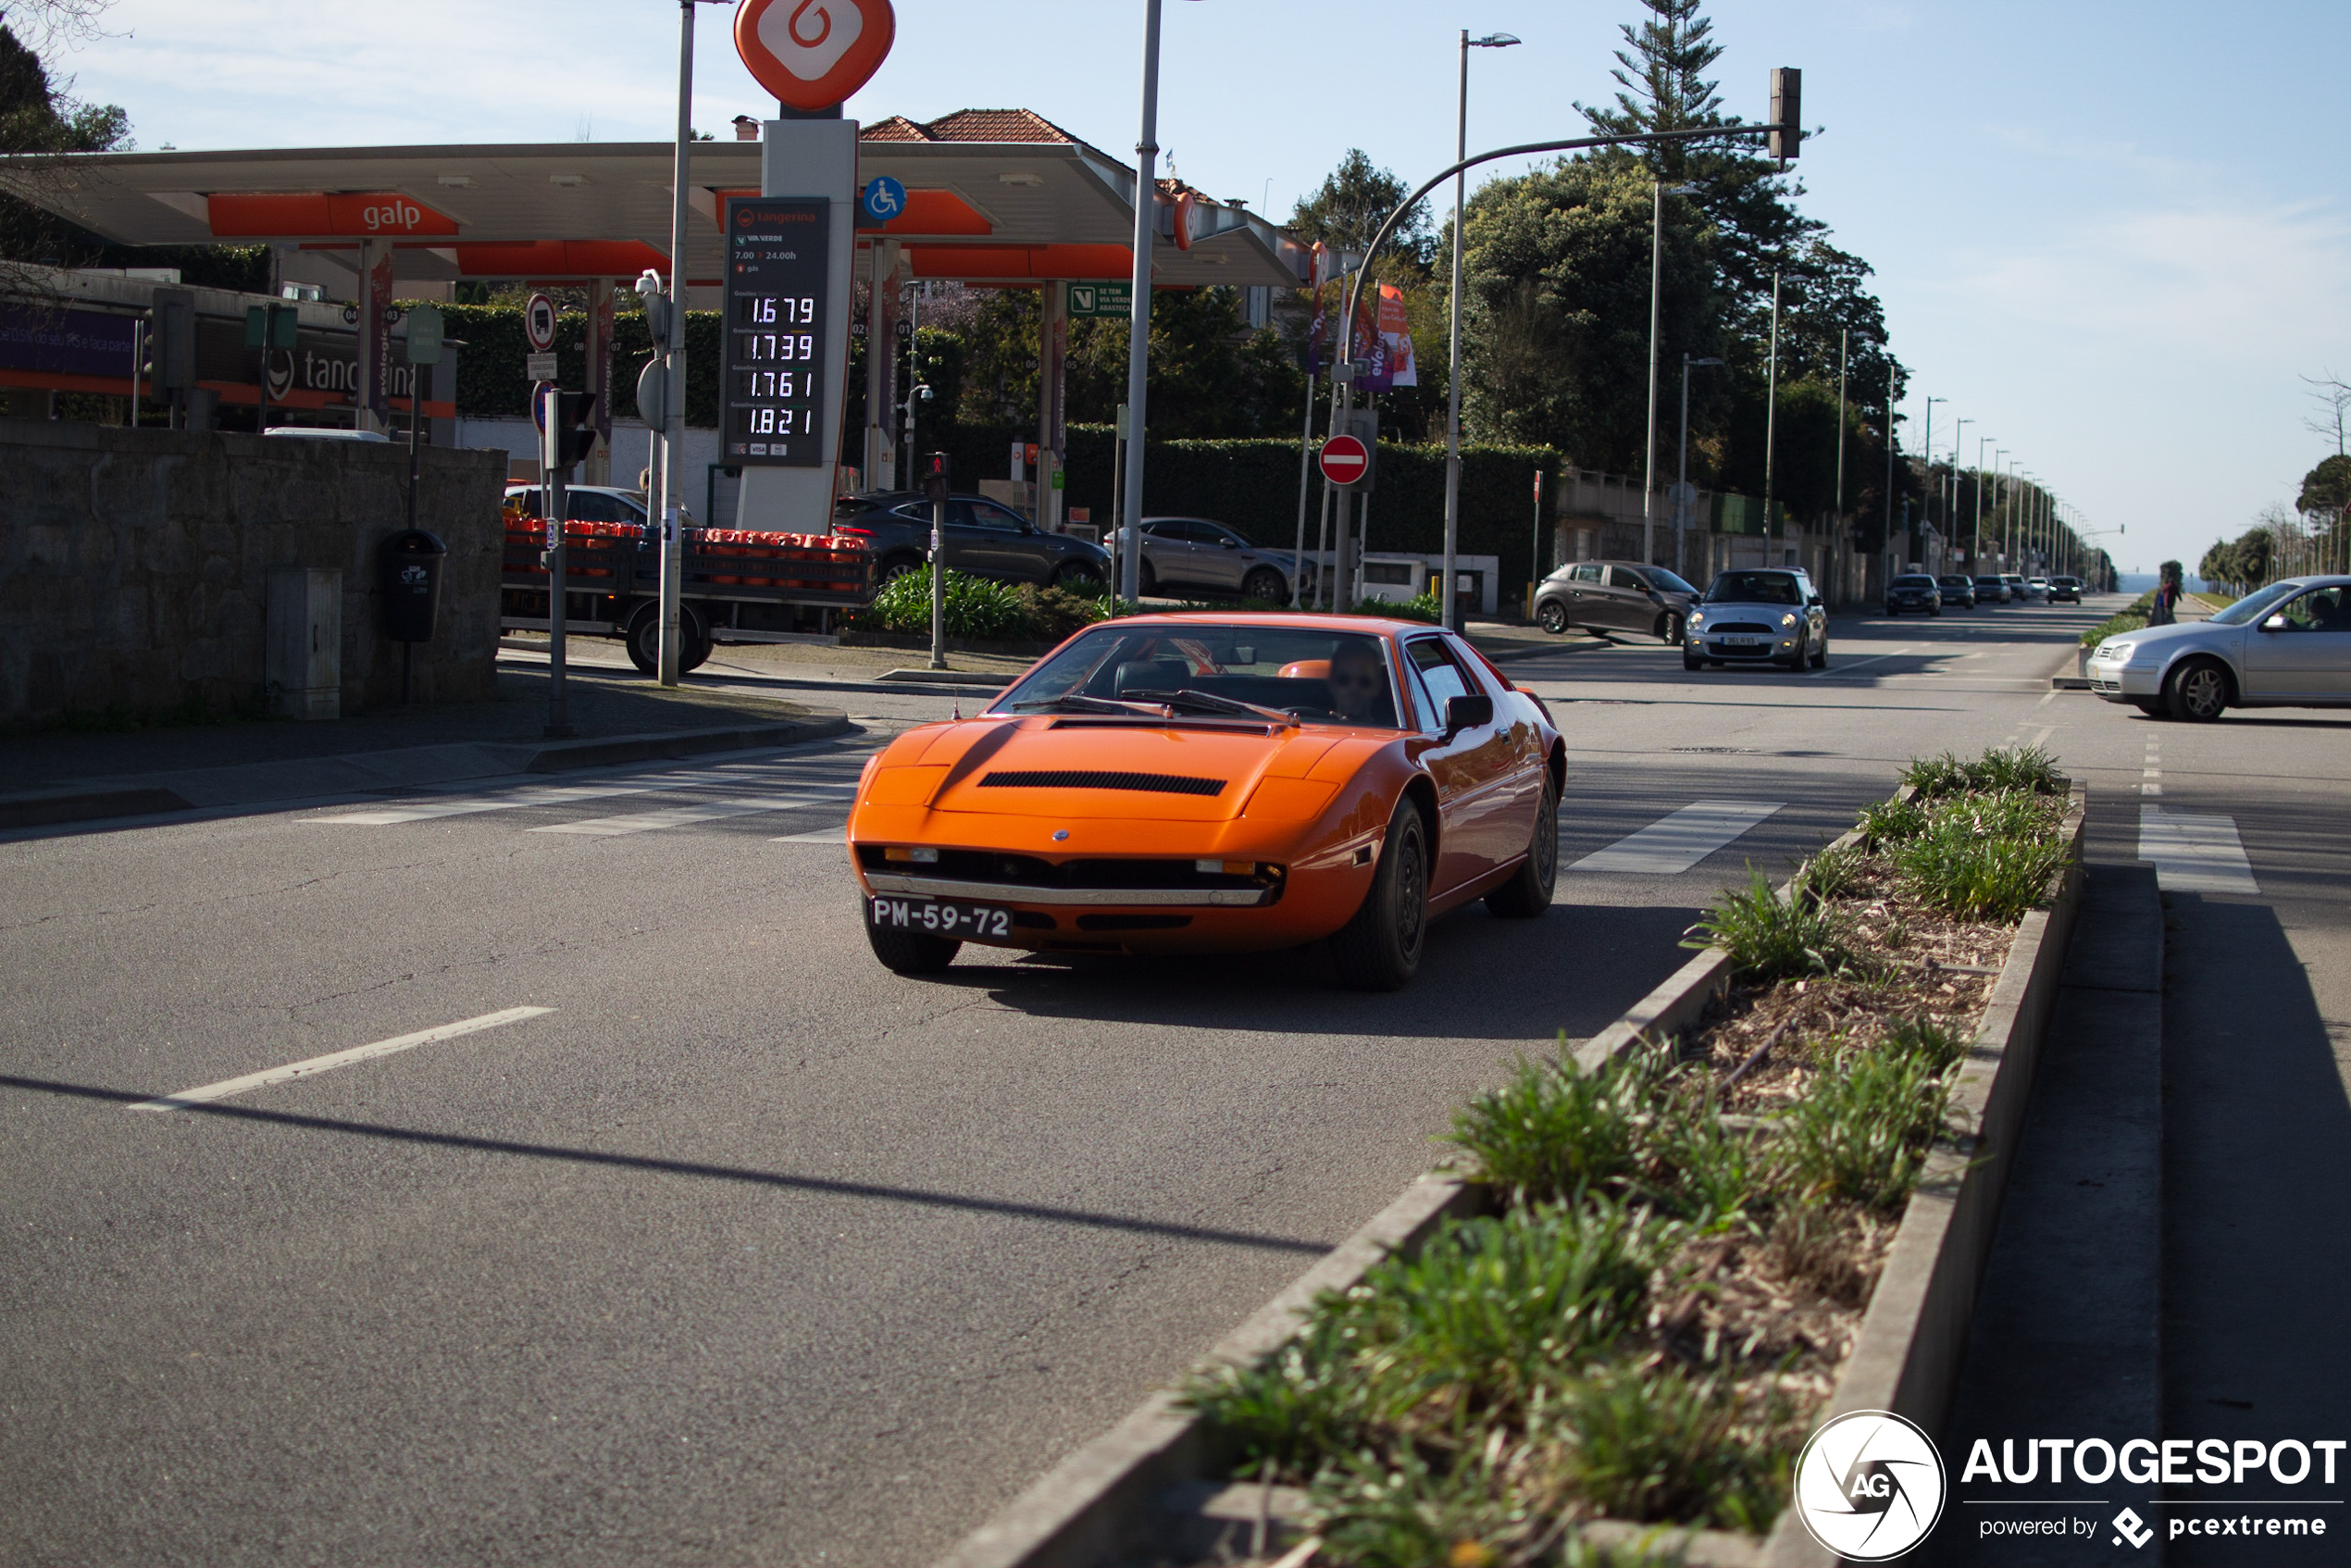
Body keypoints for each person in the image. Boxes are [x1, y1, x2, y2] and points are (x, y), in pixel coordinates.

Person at [1327, 639, 1392, 725]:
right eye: (1344, 679)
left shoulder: (1394, 727)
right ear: (1332, 683)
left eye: (1364, 680)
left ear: (1377, 685)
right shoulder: (1308, 720)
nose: (1354, 687)